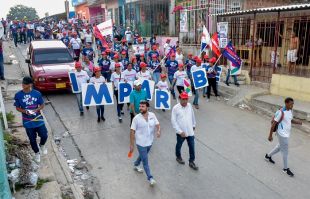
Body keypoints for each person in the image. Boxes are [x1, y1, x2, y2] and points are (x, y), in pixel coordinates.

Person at [14, 76, 48, 163]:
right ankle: (37, 153)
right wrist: (25, 111)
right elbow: (17, 108)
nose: (23, 85)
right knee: (32, 140)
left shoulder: (37, 93)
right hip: (27, 121)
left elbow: (42, 105)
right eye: (22, 83)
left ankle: (42, 145)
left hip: (38, 119)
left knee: (44, 135)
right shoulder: (18, 95)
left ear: (30, 84)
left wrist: (36, 110)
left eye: (25, 84)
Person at [266, 97, 302, 177]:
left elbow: (290, 120)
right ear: (286, 103)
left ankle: (268, 156)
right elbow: (273, 125)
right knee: (285, 151)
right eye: (291, 104)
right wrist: (270, 135)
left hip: (286, 133)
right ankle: (285, 169)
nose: (292, 105)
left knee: (279, 147)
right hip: (282, 134)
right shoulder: (281, 112)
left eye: (293, 104)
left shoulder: (290, 111)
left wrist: (298, 122)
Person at [129, 101, 161, 186]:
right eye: (140, 106)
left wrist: (158, 131)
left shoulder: (152, 115)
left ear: (147, 107)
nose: (140, 108)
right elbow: (132, 131)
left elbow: (157, 124)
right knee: (145, 161)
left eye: (142, 106)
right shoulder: (136, 118)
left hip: (150, 142)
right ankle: (150, 178)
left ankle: (136, 164)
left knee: (143, 156)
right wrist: (132, 144)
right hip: (140, 143)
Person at [171, 91, 198, 170]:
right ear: (180, 99)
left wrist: (193, 125)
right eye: (183, 99)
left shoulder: (189, 106)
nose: (185, 101)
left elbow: (192, 116)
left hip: (190, 131)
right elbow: (173, 121)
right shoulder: (175, 108)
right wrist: (179, 131)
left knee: (192, 147)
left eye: (186, 99)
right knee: (179, 145)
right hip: (181, 133)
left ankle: (191, 162)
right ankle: (178, 157)